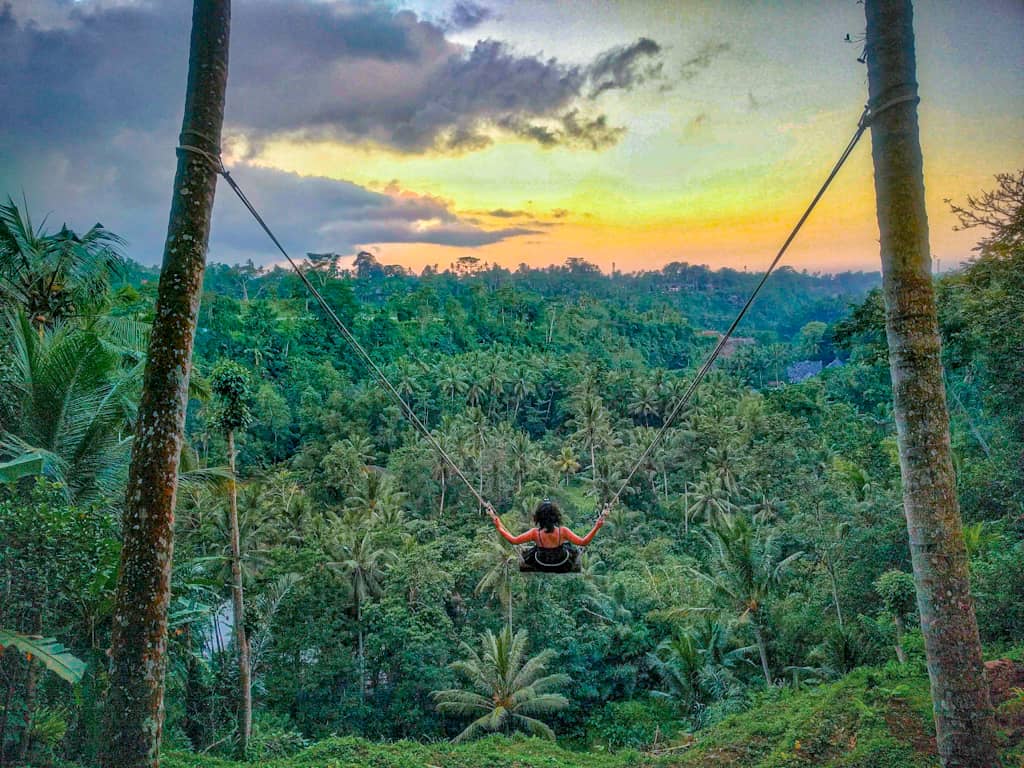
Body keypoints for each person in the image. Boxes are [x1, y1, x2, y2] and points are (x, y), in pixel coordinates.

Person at [487, 499, 607, 572]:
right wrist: (597, 526)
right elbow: (583, 542)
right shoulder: (563, 531)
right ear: (556, 516)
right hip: (561, 561)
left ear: (538, 518)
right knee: (569, 546)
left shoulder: (535, 533)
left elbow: (513, 540)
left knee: (530, 552)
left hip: (541, 561)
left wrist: (498, 525)